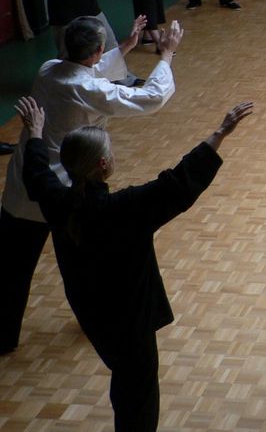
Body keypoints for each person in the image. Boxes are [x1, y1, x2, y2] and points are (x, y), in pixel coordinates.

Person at [18, 96, 253, 431]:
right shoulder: (123, 210)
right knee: (138, 396)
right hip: (129, 323)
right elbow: (177, 184)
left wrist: (35, 132)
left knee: (125, 382)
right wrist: (220, 132)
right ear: (102, 164)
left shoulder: (58, 202)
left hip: (92, 313)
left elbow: (37, 173)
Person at [0, 15, 182, 355]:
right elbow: (150, 97)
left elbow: (82, 71)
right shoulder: (89, 90)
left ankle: (2, 336)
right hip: (67, 193)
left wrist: (124, 47)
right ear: (97, 52)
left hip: (27, 181)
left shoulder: (48, 68)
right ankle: (94, 322)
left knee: (10, 270)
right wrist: (166, 54)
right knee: (78, 270)